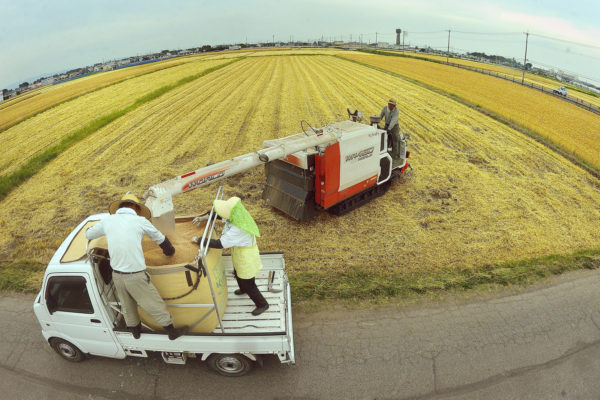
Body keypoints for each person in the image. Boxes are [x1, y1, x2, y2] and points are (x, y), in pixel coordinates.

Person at [85, 193, 188, 340]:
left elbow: (89, 234)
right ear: (135, 207)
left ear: (120, 207)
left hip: (117, 276)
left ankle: (135, 331)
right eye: (138, 208)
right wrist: (170, 251)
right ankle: (171, 331)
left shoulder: (108, 221)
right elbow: (160, 238)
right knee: (153, 303)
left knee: (127, 305)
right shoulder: (139, 221)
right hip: (135, 275)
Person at [205, 197, 269, 316]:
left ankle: (262, 304)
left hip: (246, 257)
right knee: (238, 273)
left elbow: (220, 244)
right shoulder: (239, 215)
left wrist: (200, 240)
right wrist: (207, 215)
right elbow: (223, 216)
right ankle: (243, 289)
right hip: (240, 253)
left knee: (248, 282)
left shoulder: (238, 228)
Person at [379, 98, 402, 162]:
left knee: (395, 140)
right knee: (385, 139)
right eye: (389, 104)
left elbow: (393, 120)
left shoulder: (396, 111)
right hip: (387, 125)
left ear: (394, 106)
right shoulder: (385, 108)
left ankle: (395, 156)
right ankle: (385, 154)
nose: (390, 106)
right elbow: (381, 116)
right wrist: (376, 121)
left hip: (394, 126)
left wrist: (389, 129)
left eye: (392, 105)